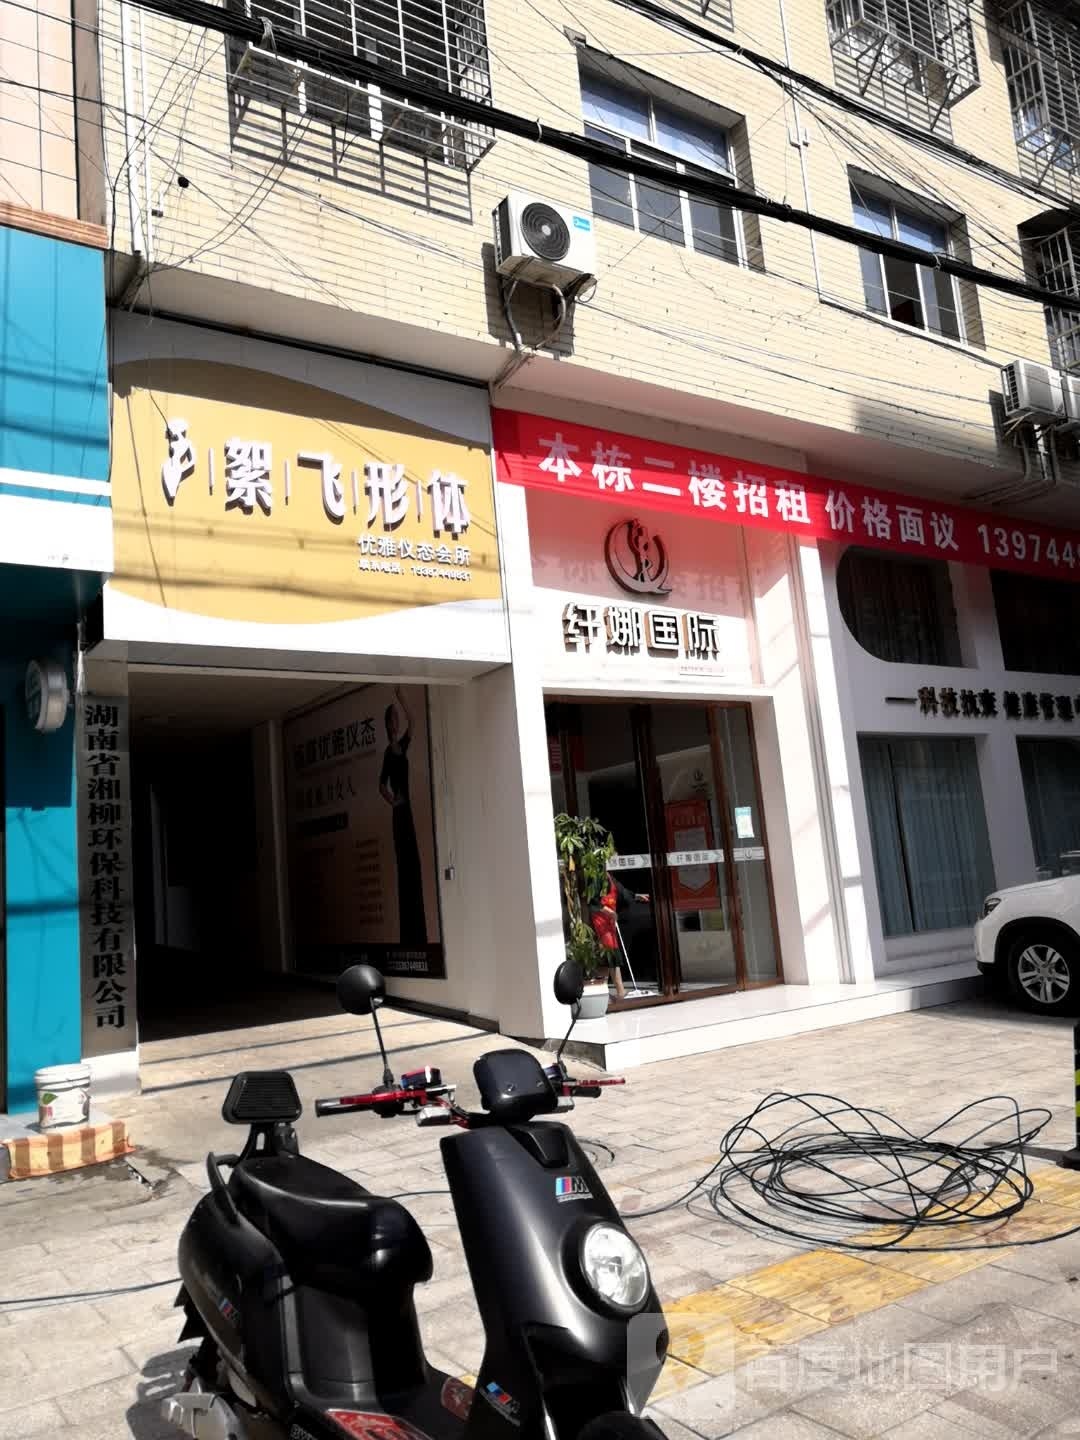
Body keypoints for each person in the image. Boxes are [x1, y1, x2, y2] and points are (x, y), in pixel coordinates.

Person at [379, 686, 427, 946]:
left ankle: (418, 931)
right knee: (405, 867)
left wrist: (402, 699)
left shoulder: (402, 746)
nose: (396, 722)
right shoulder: (389, 753)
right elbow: (381, 785)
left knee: (413, 864)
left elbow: (414, 722)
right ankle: (409, 933)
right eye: (393, 718)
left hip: (406, 813)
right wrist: (393, 801)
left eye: (397, 718)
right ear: (388, 724)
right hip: (399, 814)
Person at [590, 874, 650, 1001]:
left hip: (610, 920)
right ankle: (618, 991)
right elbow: (593, 901)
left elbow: (622, 892)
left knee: (610, 954)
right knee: (610, 952)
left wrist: (636, 896)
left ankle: (606, 991)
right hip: (600, 920)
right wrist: (609, 912)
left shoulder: (609, 877)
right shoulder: (595, 876)